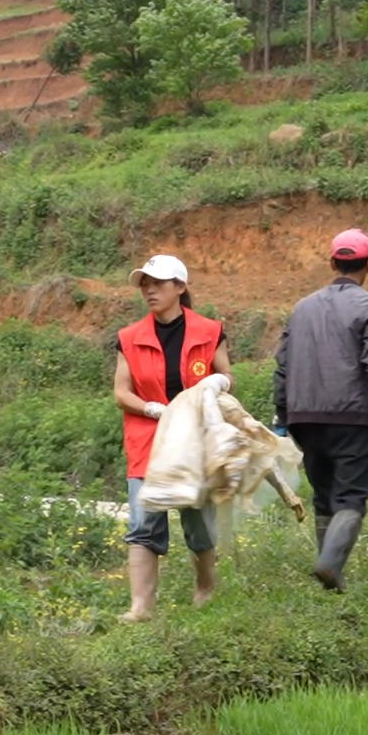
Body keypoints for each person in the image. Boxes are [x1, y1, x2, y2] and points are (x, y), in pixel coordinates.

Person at [272, 228, 368, 592]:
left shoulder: (302, 308)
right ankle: (330, 565)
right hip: (350, 418)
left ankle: (328, 586)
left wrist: (281, 418)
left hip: (303, 418)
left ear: (333, 263)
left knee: (324, 496)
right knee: (351, 497)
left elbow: (283, 365)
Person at [112, 254, 232, 622]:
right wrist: (151, 408)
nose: (149, 290)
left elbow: (227, 377)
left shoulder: (209, 331)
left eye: (158, 284)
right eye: (144, 284)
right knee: (143, 522)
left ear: (180, 287)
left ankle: (205, 588)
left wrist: (219, 383)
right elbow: (121, 393)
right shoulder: (130, 338)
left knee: (197, 518)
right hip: (148, 439)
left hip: (195, 437)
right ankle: (140, 608)